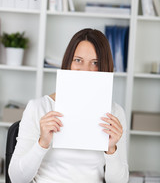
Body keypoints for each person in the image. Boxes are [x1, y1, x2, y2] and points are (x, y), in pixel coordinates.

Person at [9, 28, 129, 183]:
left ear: (105, 67)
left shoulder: (115, 113)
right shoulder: (38, 108)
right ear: (68, 63)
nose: (86, 70)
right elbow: (17, 178)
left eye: (95, 63)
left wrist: (111, 150)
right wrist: (42, 143)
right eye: (78, 60)